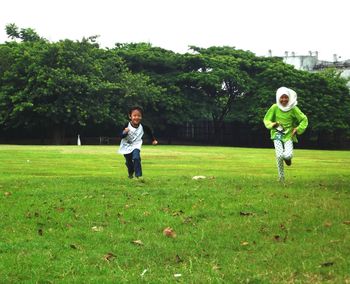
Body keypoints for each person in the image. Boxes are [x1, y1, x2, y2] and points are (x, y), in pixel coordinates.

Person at [263, 87, 308, 182]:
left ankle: (288, 159)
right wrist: (272, 124)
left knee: (287, 155)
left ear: (289, 97)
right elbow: (266, 119)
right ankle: (281, 178)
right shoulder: (274, 107)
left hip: (289, 135)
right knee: (279, 156)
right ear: (278, 98)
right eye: (281, 97)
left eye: (286, 97)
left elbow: (304, 119)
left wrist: (298, 129)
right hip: (277, 134)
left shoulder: (293, 108)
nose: (284, 100)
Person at [118, 106, 158, 179]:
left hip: (136, 144)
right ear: (130, 116)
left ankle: (138, 175)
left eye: (139, 116)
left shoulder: (143, 127)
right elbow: (120, 136)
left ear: (141, 117)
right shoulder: (126, 125)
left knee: (136, 158)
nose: (137, 117)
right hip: (126, 145)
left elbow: (149, 132)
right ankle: (130, 173)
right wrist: (125, 132)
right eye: (134, 115)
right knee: (129, 162)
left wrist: (153, 140)